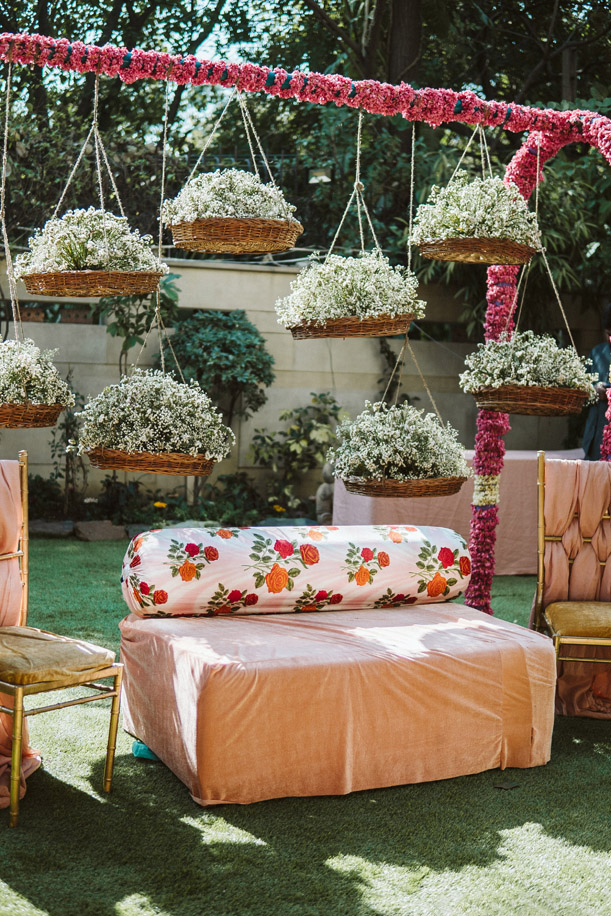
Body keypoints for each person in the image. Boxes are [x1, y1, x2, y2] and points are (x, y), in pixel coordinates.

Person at [582, 304, 611, 460]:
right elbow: (582, 387)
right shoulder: (597, 352)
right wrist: (594, 389)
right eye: (608, 334)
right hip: (597, 429)